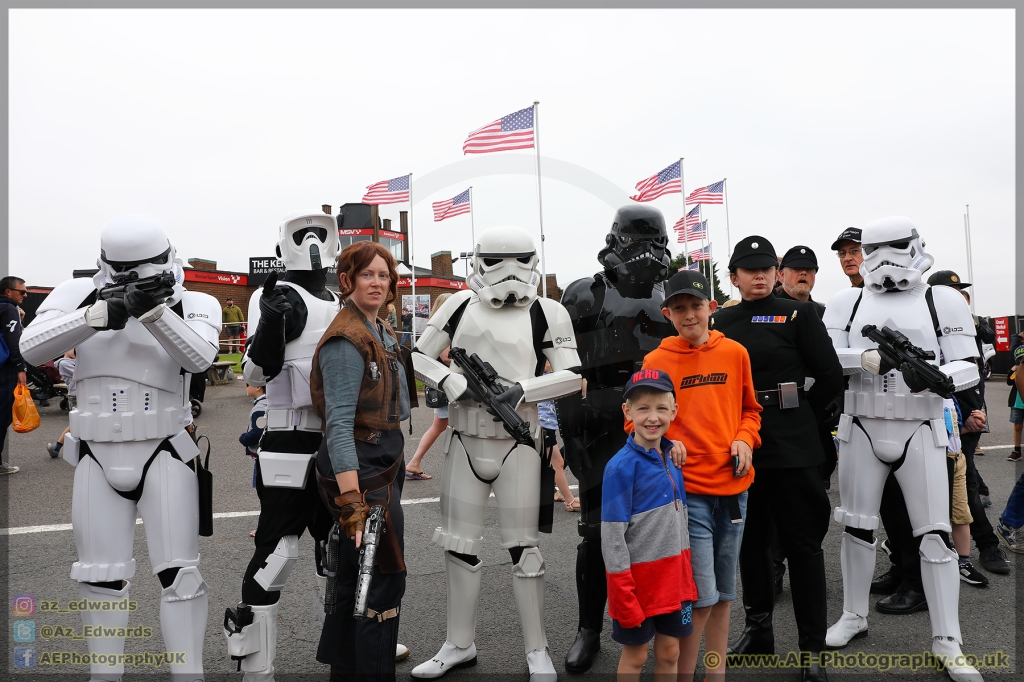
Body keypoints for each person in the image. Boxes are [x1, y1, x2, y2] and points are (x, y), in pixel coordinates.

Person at [20, 216, 220, 682]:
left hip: (165, 450)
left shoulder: (193, 299)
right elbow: (31, 348)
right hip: (96, 452)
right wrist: (94, 316)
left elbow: (201, 358)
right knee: (99, 577)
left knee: (180, 576)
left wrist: (155, 312)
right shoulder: (79, 294)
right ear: (105, 264)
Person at [409, 225, 583, 681]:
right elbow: (416, 356)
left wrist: (524, 388)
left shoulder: (549, 311)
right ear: (478, 262)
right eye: (497, 262)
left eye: (520, 259)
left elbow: (571, 374)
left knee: (525, 551)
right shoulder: (457, 304)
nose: (510, 272)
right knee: (458, 547)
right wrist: (447, 380)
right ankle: (458, 643)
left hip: (519, 442)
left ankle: (537, 649)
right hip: (465, 440)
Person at [821, 216, 984, 682]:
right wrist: (863, 359)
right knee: (855, 526)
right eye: (875, 249)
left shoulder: (942, 298)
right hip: (862, 425)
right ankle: (853, 614)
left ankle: (947, 638)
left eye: (896, 246)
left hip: (921, 425)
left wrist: (940, 377)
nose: (885, 258)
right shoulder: (846, 302)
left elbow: (970, 363)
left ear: (915, 246)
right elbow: (827, 359)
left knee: (934, 534)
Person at [714, 236, 843, 682]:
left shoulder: (800, 313)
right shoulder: (721, 320)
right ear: (734, 277)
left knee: (803, 546)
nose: (760, 275)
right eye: (749, 270)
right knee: (750, 544)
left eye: (767, 268)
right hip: (740, 445)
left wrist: (803, 414)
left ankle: (812, 650)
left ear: (776, 273)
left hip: (793, 440)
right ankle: (759, 631)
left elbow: (828, 377)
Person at [555, 205, 676, 672]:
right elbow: (564, 367)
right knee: (594, 534)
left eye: (653, 240)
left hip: (658, 422)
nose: (644, 251)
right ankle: (589, 627)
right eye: (635, 240)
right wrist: (569, 431)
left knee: (660, 530)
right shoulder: (586, 292)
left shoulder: (673, 294)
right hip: (599, 423)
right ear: (615, 239)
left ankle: (656, 625)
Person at [224, 210, 343, 681]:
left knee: (338, 549)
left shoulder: (338, 297)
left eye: (320, 232)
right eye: (302, 233)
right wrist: (270, 328)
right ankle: (257, 668)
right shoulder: (277, 297)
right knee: (278, 552)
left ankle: (347, 650)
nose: (312, 240)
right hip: (289, 436)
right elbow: (252, 375)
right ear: (283, 245)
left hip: (339, 435)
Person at [639, 270, 762, 682]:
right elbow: (638, 421)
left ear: (712, 307)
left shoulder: (735, 353)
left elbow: (751, 410)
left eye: (696, 305)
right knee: (700, 597)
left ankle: (716, 675)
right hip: (686, 493)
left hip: (735, 492)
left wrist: (746, 438)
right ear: (667, 313)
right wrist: (665, 441)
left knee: (724, 596)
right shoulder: (656, 361)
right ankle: (683, 674)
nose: (689, 314)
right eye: (679, 308)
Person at [309, 240, 417, 681]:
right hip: (361, 467)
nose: (378, 282)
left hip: (385, 461)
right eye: (368, 274)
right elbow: (337, 425)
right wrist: (351, 498)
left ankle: (347, 672)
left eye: (384, 275)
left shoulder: (380, 328)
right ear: (348, 280)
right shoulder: (346, 340)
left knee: (358, 578)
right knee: (382, 578)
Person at [602, 369, 697, 682]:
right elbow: (612, 539)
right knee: (636, 656)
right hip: (637, 588)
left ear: (674, 411)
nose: (652, 417)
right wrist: (622, 593)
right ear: (627, 412)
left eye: (660, 408)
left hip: (676, 583)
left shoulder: (673, 455)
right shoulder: (619, 468)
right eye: (643, 408)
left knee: (670, 652)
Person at [925, 269, 1009, 576]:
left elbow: (982, 357)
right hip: (936, 414)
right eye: (952, 292)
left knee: (965, 481)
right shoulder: (924, 327)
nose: (959, 297)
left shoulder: (967, 325)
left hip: (968, 416)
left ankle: (985, 545)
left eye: (962, 292)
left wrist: (977, 413)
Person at [406, 293, 453, 480]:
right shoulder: (442, 330)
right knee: (442, 425)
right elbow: (447, 357)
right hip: (446, 386)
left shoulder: (436, 327)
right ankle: (414, 462)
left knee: (442, 425)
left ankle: (415, 462)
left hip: (444, 384)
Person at [537, 361, 578, 512]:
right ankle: (570, 501)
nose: (551, 362)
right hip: (542, 424)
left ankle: (552, 492)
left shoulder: (548, 375)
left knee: (544, 462)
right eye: (547, 359)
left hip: (546, 423)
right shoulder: (539, 376)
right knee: (558, 462)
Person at [0, 276, 28, 475]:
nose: (25, 295)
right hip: (5, 370)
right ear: (8, 291)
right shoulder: (8, 308)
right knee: (2, 417)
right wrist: (21, 368)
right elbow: (13, 341)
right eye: (22, 291)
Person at [240, 383, 268, 537]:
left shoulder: (260, 408)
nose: (246, 387)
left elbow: (257, 433)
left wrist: (243, 438)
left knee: (264, 495)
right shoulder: (267, 403)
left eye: (248, 384)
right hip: (267, 455)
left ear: (258, 387)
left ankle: (263, 529)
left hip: (262, 458)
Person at [46, 348, 77, 458]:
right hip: (76, 396)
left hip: (84, 394)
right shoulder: (64, 363)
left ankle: (56, 447)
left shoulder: (77, 361)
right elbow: (80, 375)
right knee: (77, 423)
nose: (76, 351)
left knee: (77, 424)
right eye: (74, 348)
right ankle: (57, 447)